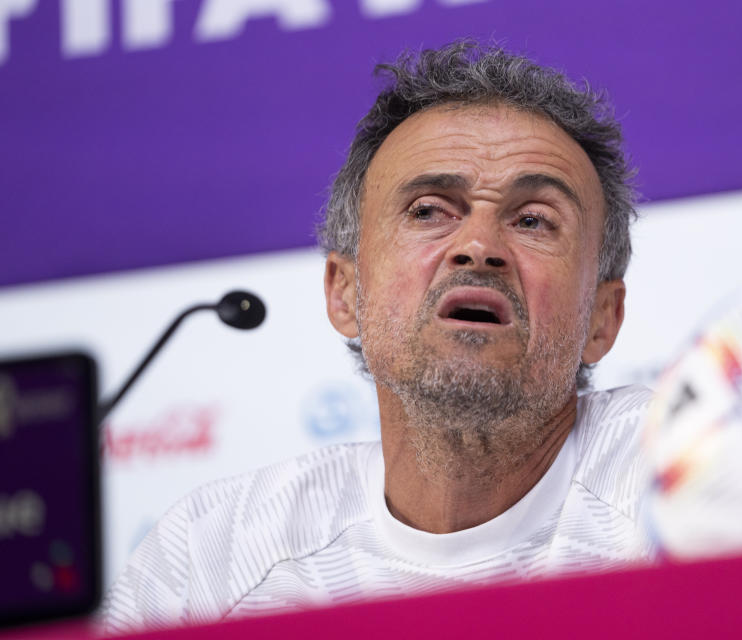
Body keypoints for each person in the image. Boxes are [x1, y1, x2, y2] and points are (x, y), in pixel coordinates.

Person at [101, 40, 653, 632]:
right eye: (428, 210)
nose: (479, 246)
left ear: (603, 318)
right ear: (345, 294)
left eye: (533, 220)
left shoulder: (681, 476)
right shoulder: (213, 556)